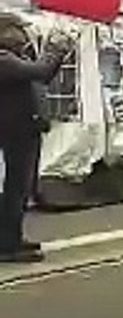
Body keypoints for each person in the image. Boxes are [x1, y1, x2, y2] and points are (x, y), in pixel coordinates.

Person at [0, 14, 73, 263]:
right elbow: (41, 72)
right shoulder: (4, 59)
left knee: (21, 189)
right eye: (18, 30)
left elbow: (45, 74)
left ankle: (13, 238)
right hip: (14, 132)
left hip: (25, 130)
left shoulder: (14, 57)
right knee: (14, 189)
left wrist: (55, 54)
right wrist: (55, 49)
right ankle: (7, 245)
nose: (23, 35)